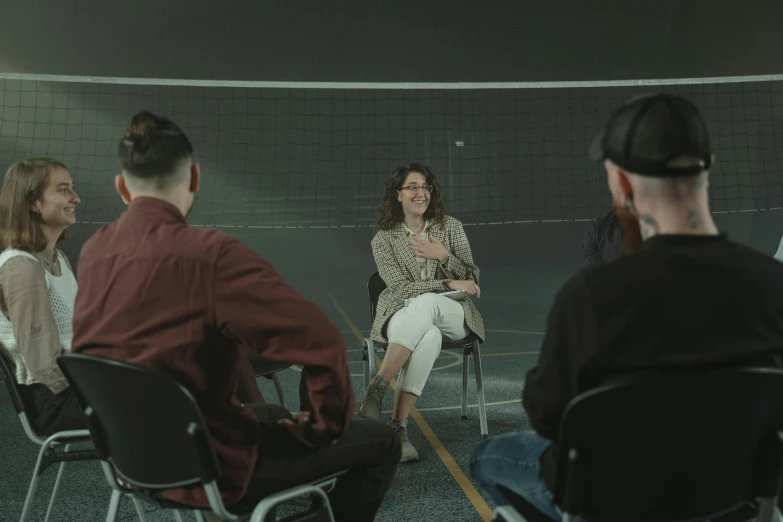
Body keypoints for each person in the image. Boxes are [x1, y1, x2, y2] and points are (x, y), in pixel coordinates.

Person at [71, 111, 400, 521]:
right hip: (212, 465)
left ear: (122, 187)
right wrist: (319, 430)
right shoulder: (210, 254)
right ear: (194, 178)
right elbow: (321, 343)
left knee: (269, 415)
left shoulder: (94, 252)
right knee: (382, 442)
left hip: (133, 461)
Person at [470, 93, 783, 519]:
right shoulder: (773, 284)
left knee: (488, 455)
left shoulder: (591, 298)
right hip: (733, 491)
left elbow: (548, 418)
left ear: (621, 183)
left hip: (613, 495)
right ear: (708, 164)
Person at [357, 162, 485, 462]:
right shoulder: (383, 239)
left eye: (426, 187)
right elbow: (400, 289)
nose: (421, 193)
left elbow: (473, 279)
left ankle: (377, 387)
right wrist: (445, 281)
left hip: (454, 314)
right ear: (397, 195)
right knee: (427, 334)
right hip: (403, 313)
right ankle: (399, 428)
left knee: (428, 303)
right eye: (412, 187)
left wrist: (443, 256)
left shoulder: (450, 227)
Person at [0, 158, 85, 435]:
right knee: (160, 403)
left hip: (76, 385)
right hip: (52, 400)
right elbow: (44, 365)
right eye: (63, 190)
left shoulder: (59, 259)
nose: (76, 198)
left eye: (72, 188)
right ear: (32, 203)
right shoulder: (22, 267)